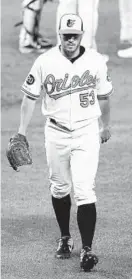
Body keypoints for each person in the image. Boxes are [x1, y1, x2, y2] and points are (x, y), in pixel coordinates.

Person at [17, 14, 113, 272]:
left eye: (75, 36)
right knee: (59, 188)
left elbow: (103, 96)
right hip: (56, 133)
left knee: (85, 190)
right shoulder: (44, 61)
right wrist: (21, 132)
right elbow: (29, 98)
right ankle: (65, 238)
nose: (70, 40)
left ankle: (88, 250)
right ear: (59, 35)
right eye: (65, 35)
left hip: (86, 132)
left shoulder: (95, 61)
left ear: (82, 35)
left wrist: (105, 125)